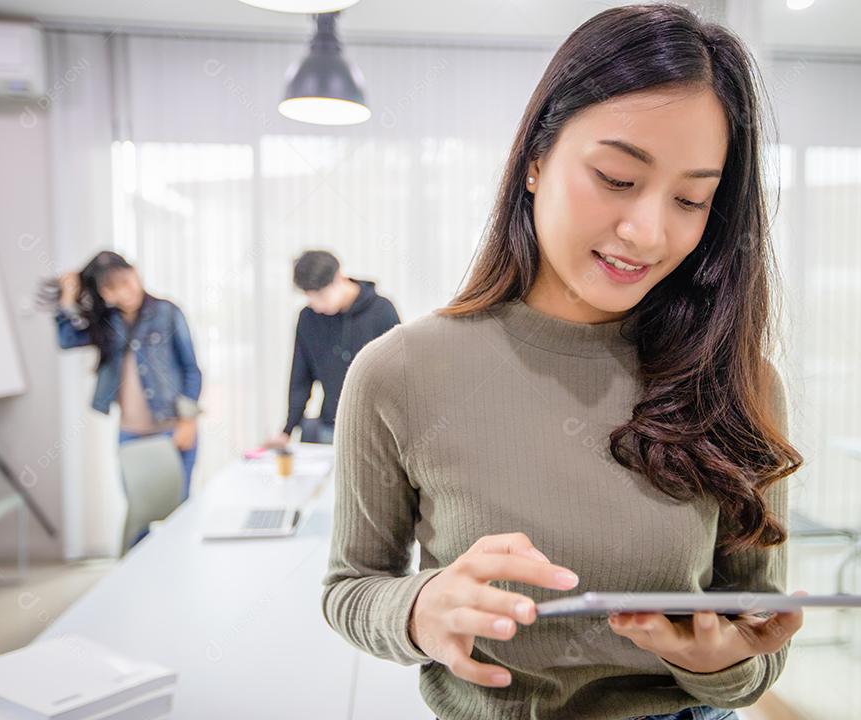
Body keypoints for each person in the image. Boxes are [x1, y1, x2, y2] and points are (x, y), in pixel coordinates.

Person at [321, 5, 804, 719]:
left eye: (691, 198)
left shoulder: (737, 379)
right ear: (536, 159)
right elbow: (351, 586)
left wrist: (720, 665)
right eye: (615, 177)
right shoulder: (399, 373)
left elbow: (761, 631)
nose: (647, 231)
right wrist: (420, 609)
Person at [43, 251, 201, 501]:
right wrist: (67, 298)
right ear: (102, 294)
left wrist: (188, 422)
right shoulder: (105, 323)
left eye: (126, 282)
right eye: (111, 288)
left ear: (135, 273)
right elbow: (67, 340)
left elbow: (191, 370)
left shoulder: (168, 313)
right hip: (130, 435)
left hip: (172, 430)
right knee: (139, 515)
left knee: (178, 512)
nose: (124, 293)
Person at [265, 250, 399, 448]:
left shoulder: (381, 311)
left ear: (339, 277)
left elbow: (399, 375)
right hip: (331, 428)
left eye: (321, 295)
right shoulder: (308, 318)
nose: (317, 305)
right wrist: (287, 430)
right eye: (310, 298)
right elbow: (300, 379)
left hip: (376, 431)